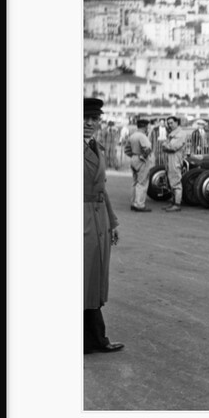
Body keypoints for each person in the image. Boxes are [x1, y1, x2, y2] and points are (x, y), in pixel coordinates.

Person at [83, 98, 124, 355]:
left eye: (94, 119)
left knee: (93, 278)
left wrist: (113, 221)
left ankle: (95, 338)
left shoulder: (95, 146)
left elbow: (102, 189)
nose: (89, 123)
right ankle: (94, 339)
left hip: (97, 219)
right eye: (84, 118)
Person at [124, 117, 154, 212]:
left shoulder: (133, 135)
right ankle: (139, 204)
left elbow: (126, 150)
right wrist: (143, 156)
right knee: (142, 183)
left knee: (135, 182)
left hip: (134, 158)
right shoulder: (142, 136)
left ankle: (133, 203)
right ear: (145, 127)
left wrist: (134, 156)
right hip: (141, 159)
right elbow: (148, 148)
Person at [161, 115, 186, 212]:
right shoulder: (172, 133)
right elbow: (167, 146)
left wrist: (165, 145)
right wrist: (166, 145)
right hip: (170, 158)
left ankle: (177, 203)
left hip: (175, 159)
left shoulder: (180, 133)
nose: (170, 125)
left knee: (176, 181)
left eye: (171, 123)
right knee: (170, 181)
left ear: (177, 123)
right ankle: (173, 201)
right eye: (168, 123)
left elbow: (173, 147)